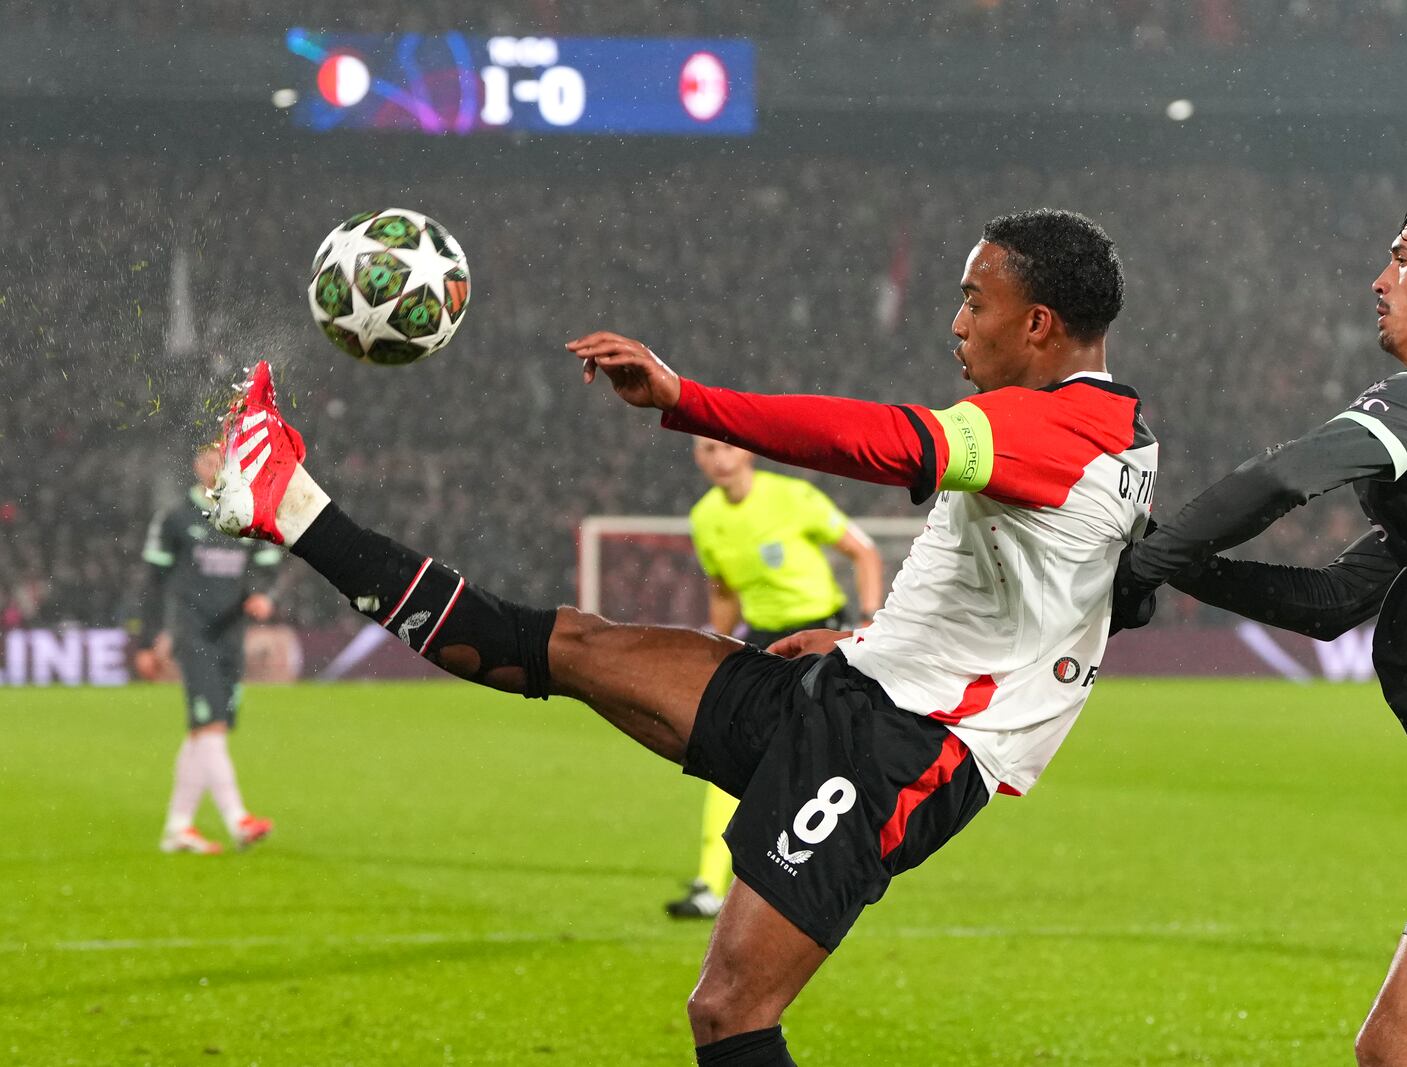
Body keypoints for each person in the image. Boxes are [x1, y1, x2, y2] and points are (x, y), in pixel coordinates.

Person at [204, 209, 1156, 1064]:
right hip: (859, 691)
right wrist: (867, 639)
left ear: (1037, 324)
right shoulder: (1107, 434)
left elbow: (881, 442)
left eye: (974, 301)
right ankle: (288, 502)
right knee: (567, 645)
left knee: (730, 1011)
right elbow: (1034, 599)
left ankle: (287, 503)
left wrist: (682, 398)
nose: (957, 322)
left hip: (902, 750)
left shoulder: (1054, 427)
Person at [1112, 191, 1407, 1067]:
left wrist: (1140, 566)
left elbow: (1279, 479)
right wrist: (1174, 562)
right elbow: (1333, 602)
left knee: (1405, 1046)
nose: (1380, 279)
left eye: (1401, 256)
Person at [669, 436, 884, 919]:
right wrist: (715, 649)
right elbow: (724, 590)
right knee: (728, 748)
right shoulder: (706, 518)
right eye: (706, 451)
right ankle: (710, 883)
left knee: (825, 759)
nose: (719, 459)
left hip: (820, 638)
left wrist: (870, 619)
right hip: (765, 642)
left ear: (746, 451)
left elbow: (864, 552)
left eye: (724, 448)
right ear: (697, 460)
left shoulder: (793, 497)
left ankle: (837, 868)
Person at [132, 443, 279, 855]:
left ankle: (178, 828)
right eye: (210, 460)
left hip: (232, 634)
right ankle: (238, 819)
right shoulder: (176, 518)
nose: (216, 467)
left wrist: (262, 595)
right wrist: (147, 640)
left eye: (223, 461)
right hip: (192, 634)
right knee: (211, 726)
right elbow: (153, 581)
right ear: (197, 465)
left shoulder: (246, 513)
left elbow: (268, 566)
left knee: (205, 731)